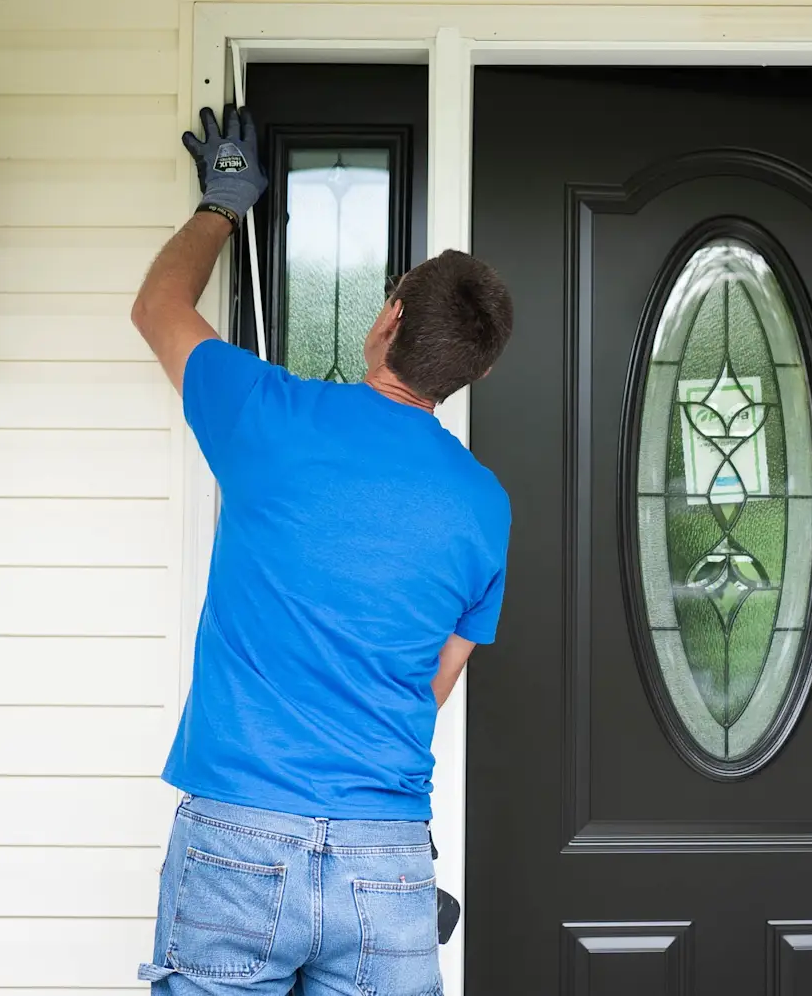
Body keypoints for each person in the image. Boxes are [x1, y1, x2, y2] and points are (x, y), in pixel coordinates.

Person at [129, 104, 514, 995]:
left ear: (387, 319)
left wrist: (224, 204)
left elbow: (159, 307)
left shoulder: (269, 414)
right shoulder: (484, 508)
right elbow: (435, 683)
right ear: (473, 375)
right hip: (385, 862)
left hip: (238, 842)